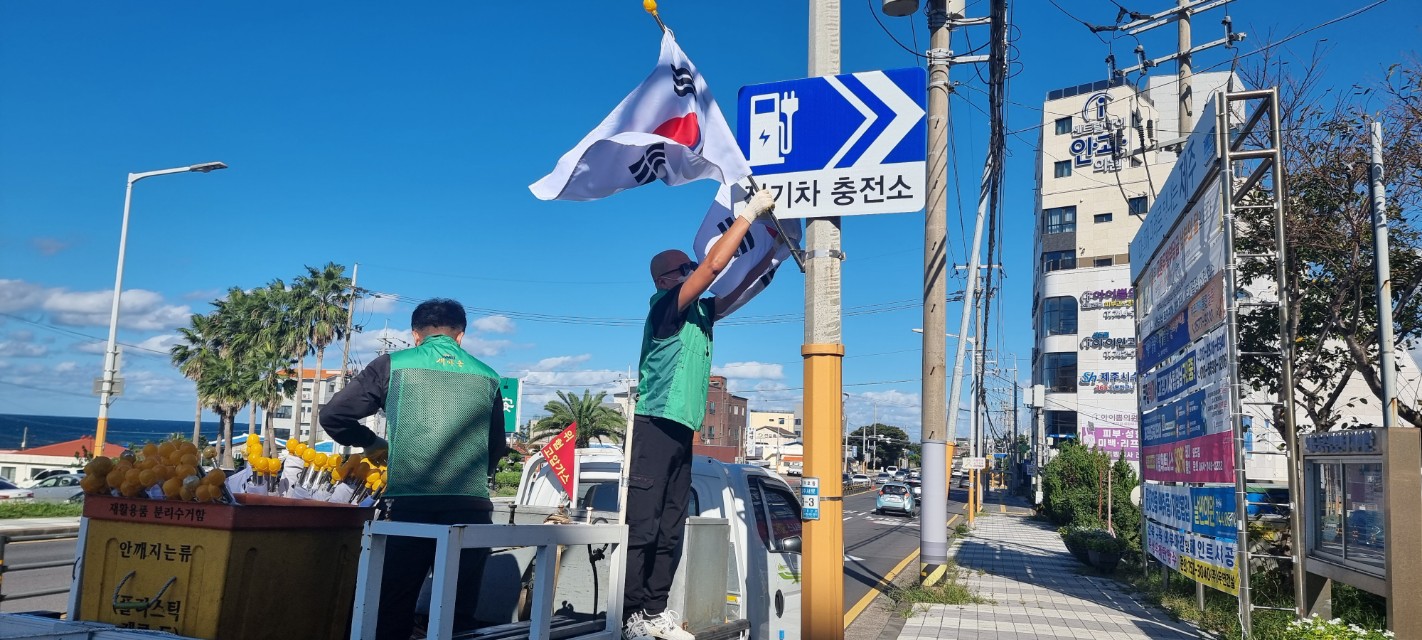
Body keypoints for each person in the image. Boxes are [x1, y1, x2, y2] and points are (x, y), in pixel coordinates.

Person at [622, 188, 777, 640]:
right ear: (666, 280)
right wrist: (747, 215)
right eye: (683, 269)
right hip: (654, 423)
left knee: (670, 527)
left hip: (682, 428)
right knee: (643, 527)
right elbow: (713, 268)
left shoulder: (699, 316)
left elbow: (732, 295)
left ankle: (654, 613)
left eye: (690, 267)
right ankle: (631, 613)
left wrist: (769, 263)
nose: (693, 270)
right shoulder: (666, 310)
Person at [321, 298, 508, 640]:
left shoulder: (394, 364)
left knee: (392, 609)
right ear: (461, 336)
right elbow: (496, 448)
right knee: (456, 615)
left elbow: (333, 415)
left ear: (415, 335)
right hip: (472, 509)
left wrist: (371, 442)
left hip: (411, 508)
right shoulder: (489, 376)